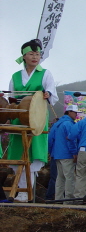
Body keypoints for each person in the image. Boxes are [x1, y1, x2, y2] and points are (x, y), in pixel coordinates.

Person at [8, 39, 58, 203]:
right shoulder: (16, 76)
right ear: (24, 56)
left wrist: (47, 94)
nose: (35, 57)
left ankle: (25, 192)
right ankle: (21, 190)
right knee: (18, 152)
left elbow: (51, 91)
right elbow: (12, 97)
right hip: (19, 118)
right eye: (31, 54)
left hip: (36, 117)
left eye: (37, 54)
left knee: (33, 152)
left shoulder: (45, 73)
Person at [48, 105, 79, 203]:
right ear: (69, 112)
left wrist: (51, 152)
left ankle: (58, 199)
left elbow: (49, 139)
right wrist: (74, 153)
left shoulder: (57, 124)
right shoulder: (69, 124)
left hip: (57, 155)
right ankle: (68, 200)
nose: (76, 115)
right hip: (67, 155)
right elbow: (71, 139)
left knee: (60, 178)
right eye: (75, 112)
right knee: (69, 178)